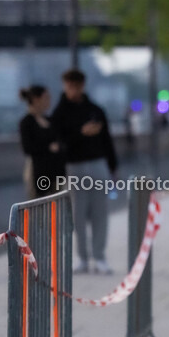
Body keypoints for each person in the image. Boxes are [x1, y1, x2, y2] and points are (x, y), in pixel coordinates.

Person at [51, 69, 118, 275]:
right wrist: (81, 133)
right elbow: (59, 143)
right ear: (65, 86)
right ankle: (81, 256)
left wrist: (113, 167)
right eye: (70, 86)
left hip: (98, 164)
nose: (73, 90)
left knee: (100, 213)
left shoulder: (95, 110)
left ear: (83, 85)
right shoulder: (59, 113)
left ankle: (99, 256)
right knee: (77, 215)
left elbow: (107, 140)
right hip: (74, 166)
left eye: (77, 85)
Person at [19, 85, 65, 198]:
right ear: (36, 99)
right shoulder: (27, 122)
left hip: (56, 171)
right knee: (39, 206)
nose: (49, 101)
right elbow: (27, 148)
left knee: (57, 207)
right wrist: (48, 147)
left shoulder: (50, 120)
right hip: (37, 171)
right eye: (46, 97)